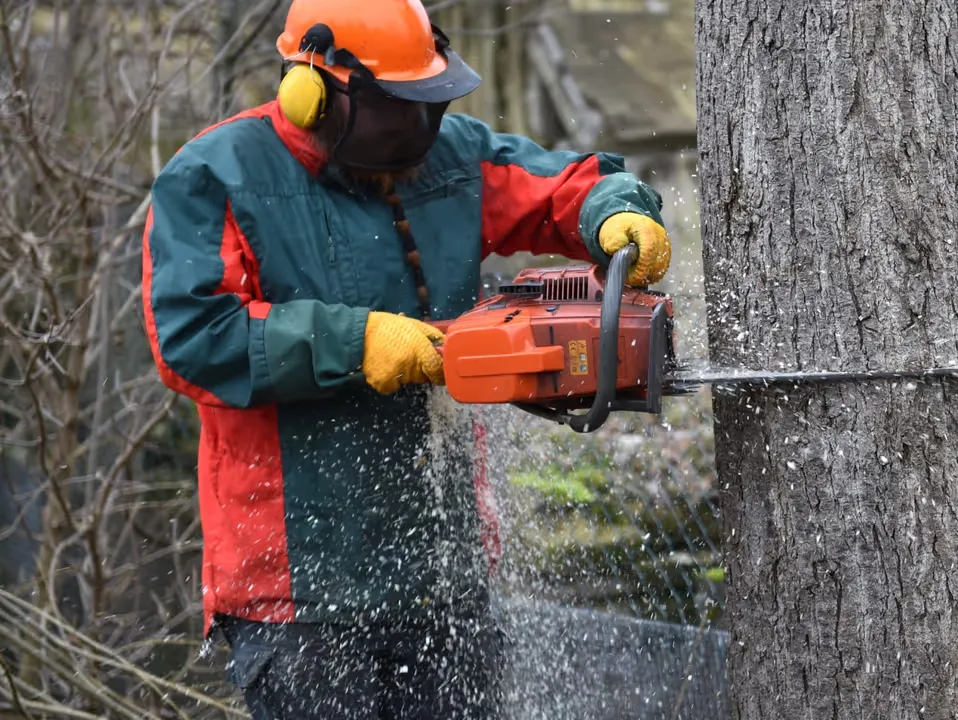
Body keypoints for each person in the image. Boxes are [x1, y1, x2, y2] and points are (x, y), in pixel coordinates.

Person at [139, 0, 671, 717]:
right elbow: (192, 336)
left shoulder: (451, 156)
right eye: (395, 107)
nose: (417, 126)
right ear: (313, 91)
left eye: (427, 102)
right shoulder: (215, 174)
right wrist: (355, 341)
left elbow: (561, 186)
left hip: (443, 571)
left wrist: (614, 209)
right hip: (299, 596)